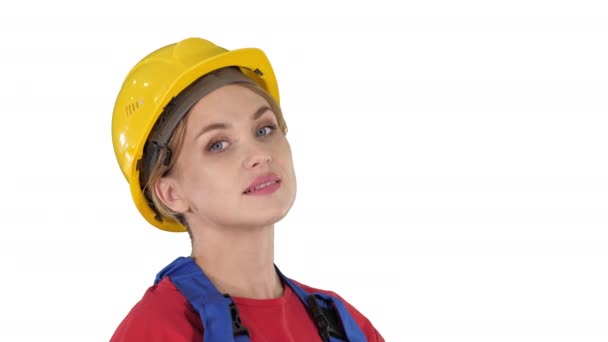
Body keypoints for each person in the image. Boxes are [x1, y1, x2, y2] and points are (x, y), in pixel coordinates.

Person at [109, 37, 385, 342]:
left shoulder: (347, 326)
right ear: (171, 193)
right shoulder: (159, 329)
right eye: (218, 144)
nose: (259, 154)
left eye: (264, 129)